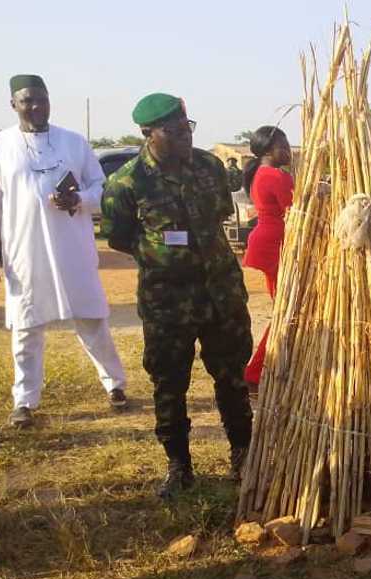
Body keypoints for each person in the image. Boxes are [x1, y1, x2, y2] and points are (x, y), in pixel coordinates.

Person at [101, 93, 254, 499]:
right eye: (174, 130)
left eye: (188, 126)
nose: (185, 135)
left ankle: (243, 454)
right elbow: (118, 236)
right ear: (148, 133)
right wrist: (163, 255)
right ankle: (179, 466)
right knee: (169, 383)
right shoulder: (127, 182)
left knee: (233, 378)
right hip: (168, 302)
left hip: (221, 293)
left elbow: (221, 213)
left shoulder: (209, 166)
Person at [0, 74, 127, 429]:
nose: (36, 107)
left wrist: (79, 199)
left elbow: (101, 188)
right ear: (13, 104)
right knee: (26, 328)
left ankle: (115, 385)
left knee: (92, 319)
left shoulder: (74, 142)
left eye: (42, 99)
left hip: (73, 250)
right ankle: (24, 401)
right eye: (27, 101)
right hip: (25, 251)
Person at [241, 126, 293, 391]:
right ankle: (254, 374)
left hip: (266, 242)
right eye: (282, 145)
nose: (288, 150)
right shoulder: (276, 176)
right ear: (268, 150)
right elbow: (298, 212)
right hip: (276, 246)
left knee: (285, 310)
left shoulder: (261, 174)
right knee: (286, 312)